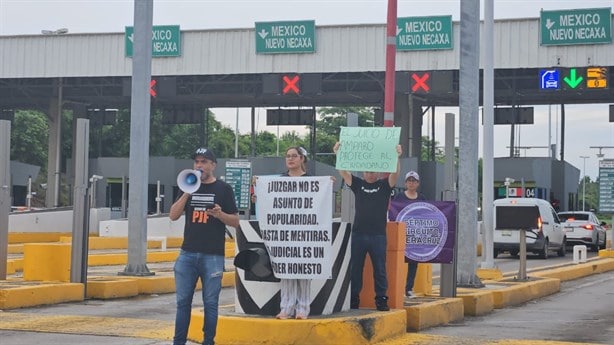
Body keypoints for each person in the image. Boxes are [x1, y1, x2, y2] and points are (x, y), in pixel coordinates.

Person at [169, 147, 239, 345]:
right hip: (187, 254)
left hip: (213, 256)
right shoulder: (188, 186)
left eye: (204, 162)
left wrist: (220, 215)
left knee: (210, 303)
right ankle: (178, 342)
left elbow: (235, 221)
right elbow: (173, 215)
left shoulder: (224, 189)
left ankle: (209, 341)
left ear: (213, 165)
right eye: (197, 162)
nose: (199, 165)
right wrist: (186, 193)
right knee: (182, 303)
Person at [333, 141, 402, 311]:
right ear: (363, 172)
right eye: (367, 171)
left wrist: (397, 157)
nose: (370, 174)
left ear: (378, 172)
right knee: (356, 269)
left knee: (380, 269)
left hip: (378, 235)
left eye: (373, 171)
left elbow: (395, 174)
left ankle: (381, 299)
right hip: (358, 234)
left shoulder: (384, 185)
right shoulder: (358, 184)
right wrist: (338, 154)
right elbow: (343, 172)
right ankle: (353, 299)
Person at [254, 146, 312, 320]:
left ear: (302, 159)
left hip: (304, 232)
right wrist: (259, 192)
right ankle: (286, 307)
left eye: (294, 156)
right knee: (286, 269)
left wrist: (327, 182)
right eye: (287, 156)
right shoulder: (279, 181)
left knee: (303, 270)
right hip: (284, 232)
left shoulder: (311, 180)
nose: (290, 159)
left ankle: (303, 308)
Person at [393, 171, 425, 298]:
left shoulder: (422, 198)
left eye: (414, 181)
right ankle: (397, 288)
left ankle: (408, 289)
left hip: (415, 235)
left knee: (413, 263)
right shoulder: (399, 197)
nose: (411, 183)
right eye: (409, 181)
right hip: (401, 234)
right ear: (405, 183)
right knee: (398, 262)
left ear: (418, 183)